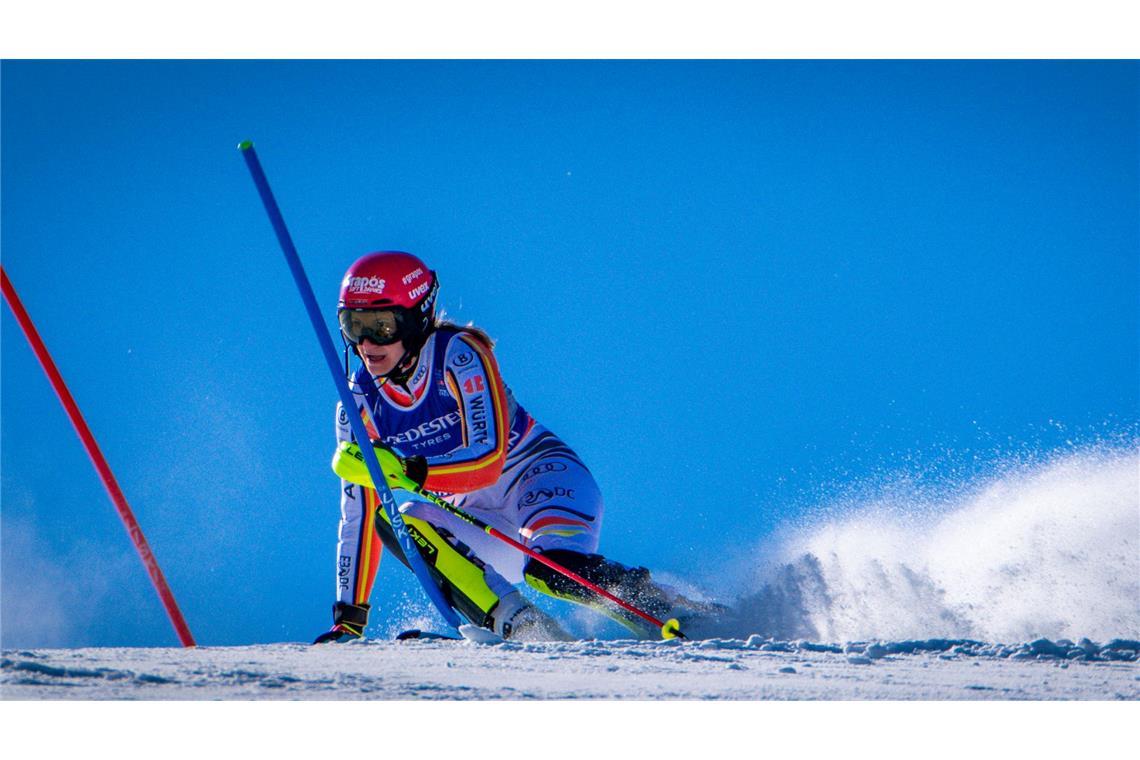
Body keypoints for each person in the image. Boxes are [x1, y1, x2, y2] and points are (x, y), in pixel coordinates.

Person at [313, 251, 694, 643]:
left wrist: (411, 470)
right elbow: (358, 512)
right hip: (478, 518)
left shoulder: (457, 354)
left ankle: (673, 611)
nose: (366, 343)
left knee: (550, 570)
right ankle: (522, 628)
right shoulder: (357, 403)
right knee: (402, 522)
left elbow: (488, 460)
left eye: (382, 326)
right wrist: (349, 618)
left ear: (416, 318)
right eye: (353, 325)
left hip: (538, 477)